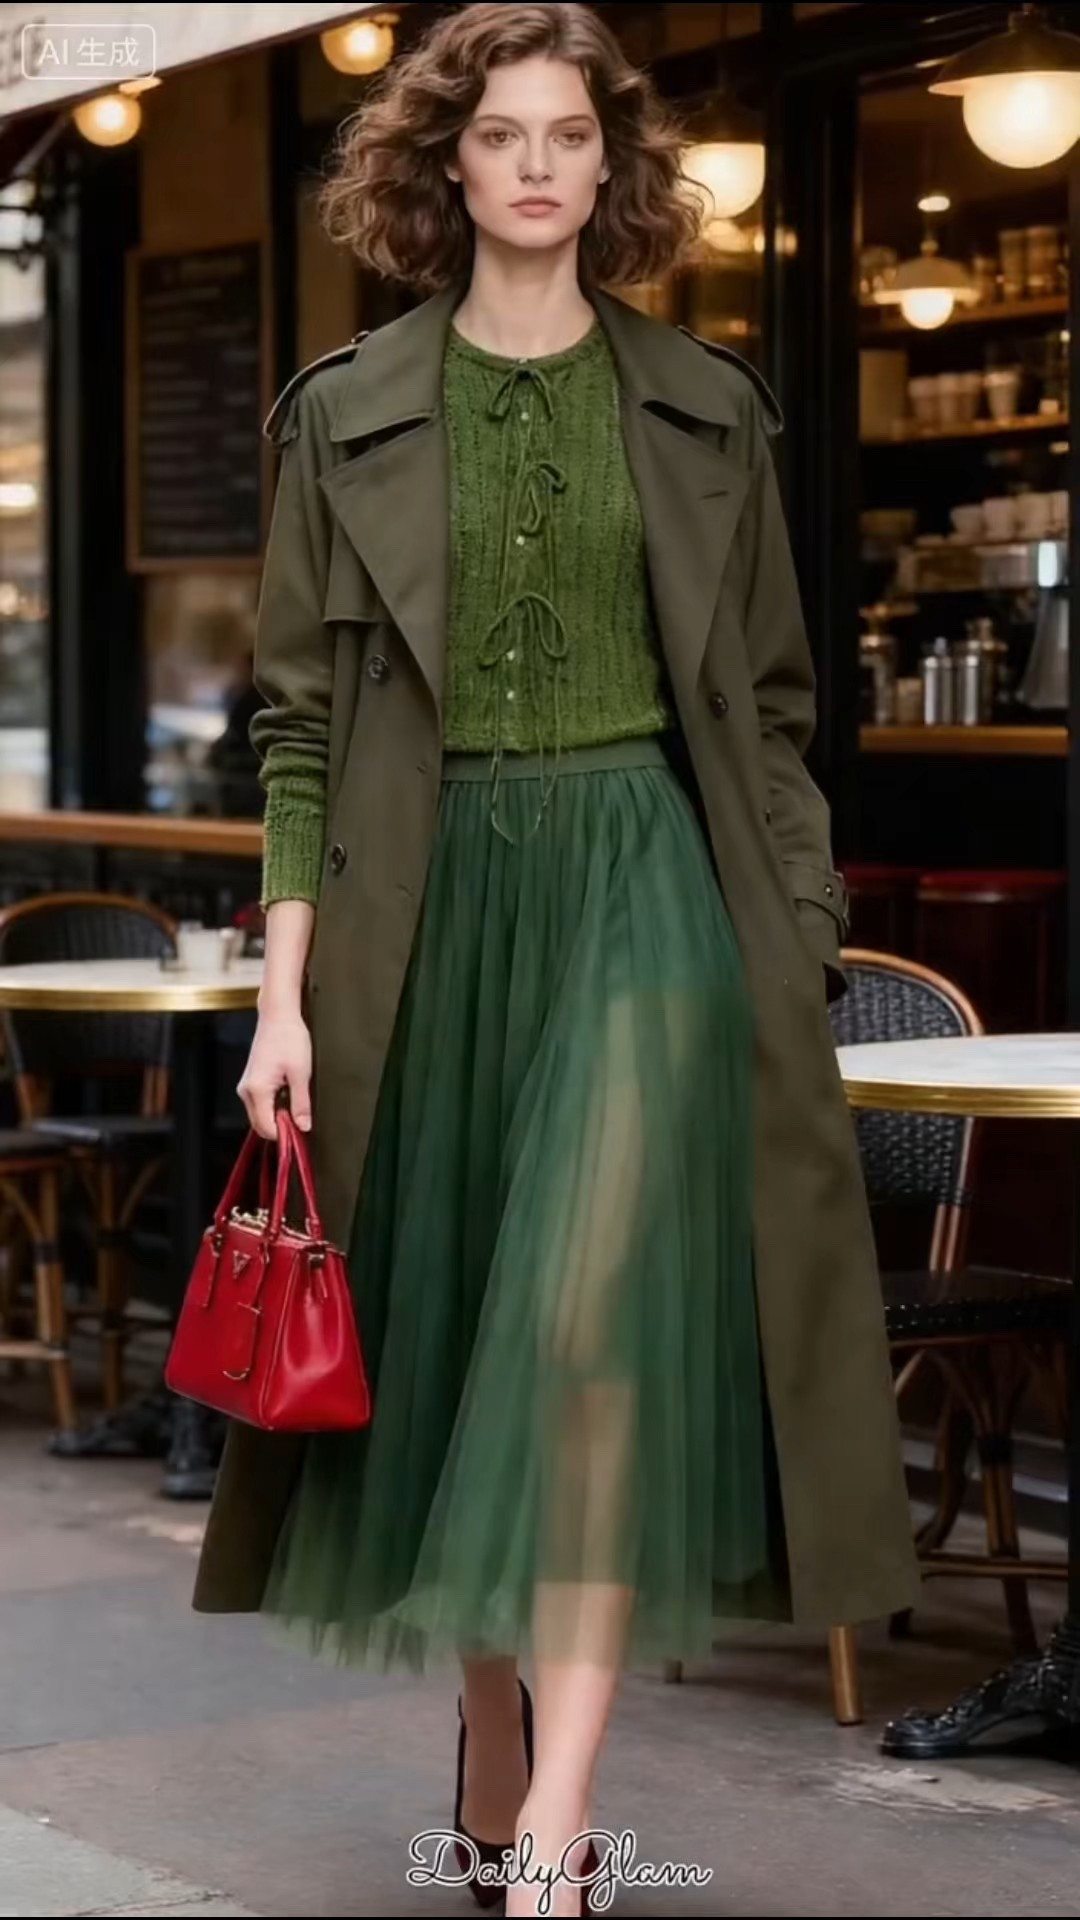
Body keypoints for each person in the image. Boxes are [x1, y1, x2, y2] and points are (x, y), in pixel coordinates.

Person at [193, 6, 919, 1913]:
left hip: (645, 899)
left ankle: (550, 1846)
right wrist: (283, 1002)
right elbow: (293, 735)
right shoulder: (341, 412)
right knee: (457, 1366)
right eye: (499, 133)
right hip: (422, 925)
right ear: (449, 167)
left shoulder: (705, 405)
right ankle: (503, 1752)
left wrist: (804, 931)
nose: (533, 163)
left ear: (612, 170)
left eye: (566, 134)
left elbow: (768, 717)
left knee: (586, 1351)